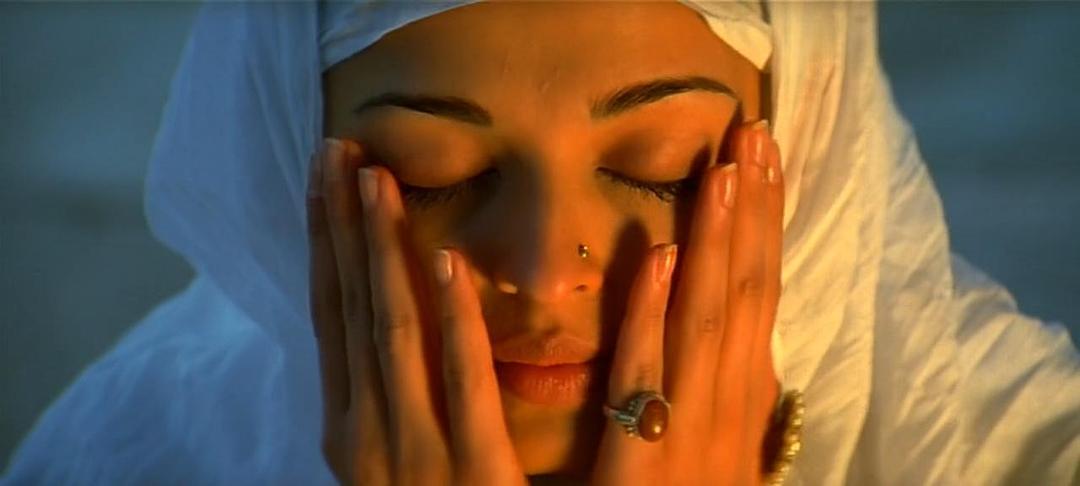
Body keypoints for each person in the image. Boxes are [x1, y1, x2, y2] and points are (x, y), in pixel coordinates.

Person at [4, 1, 1078, 485]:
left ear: (812, 137)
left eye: (658, 166)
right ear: (283, 154)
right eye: (433, 171)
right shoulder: (134, 459)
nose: (542, 268)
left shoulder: (1015, 453)